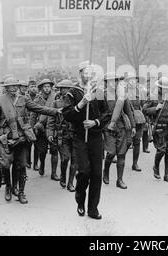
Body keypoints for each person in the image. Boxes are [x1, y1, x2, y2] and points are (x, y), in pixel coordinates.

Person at [0, 77, 60, 204]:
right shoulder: (0, 100)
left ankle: (21, 192)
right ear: (6, 88)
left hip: (22, 136)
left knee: (22, 165)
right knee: (5, 165)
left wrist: (56, 111)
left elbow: (38, 108)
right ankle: (8, 187)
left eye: (16, 86)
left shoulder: (24, 99)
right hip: (6, 137)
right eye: (11, 86)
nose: (14, 88)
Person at [61, 61, 109, 219]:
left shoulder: (99, 91)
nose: (88, 75)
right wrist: (82, 104)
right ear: (80, 73)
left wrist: (95, 122)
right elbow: (67, 114)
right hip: (79, 137)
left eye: (91, 72)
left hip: (95, 137)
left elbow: (106, 114)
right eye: (85, 72)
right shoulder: (73, 92)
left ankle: (93, 209)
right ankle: (80, 200)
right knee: (84, 172)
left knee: (96, 174)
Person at [101, 73, 136, 189]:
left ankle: (119, 179)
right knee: (111, 153)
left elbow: (128, 111)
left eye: (114, 81)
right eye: (109, 81)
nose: (112, 83)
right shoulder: (103, 95)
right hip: (108, 127)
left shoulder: (122, 95)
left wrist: (133, 126)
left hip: (121, 126)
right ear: (106, 83)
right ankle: (106, 170)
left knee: (121, 154)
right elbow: (100, 113)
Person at [143, 77, 168, 183]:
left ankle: (167, 174)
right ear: (159, 87)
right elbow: (144, 110)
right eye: (163, 88)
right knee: (161, 150)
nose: (166, 90)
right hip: (159, 127)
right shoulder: (153, 97)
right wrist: (155, 108)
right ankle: (156, 167)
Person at [46, 79, 77, 191]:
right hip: (62, 134)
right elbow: (50, 120)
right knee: (65, 158)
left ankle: (70, 183)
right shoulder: (56, 103)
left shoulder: (77, 102)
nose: (64, 91)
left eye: (67, 88)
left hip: (75, 134)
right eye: (62, 88)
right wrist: (50, 133)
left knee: (75, 160)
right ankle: (63, 175)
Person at [30, 78, 57, 179]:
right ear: (41, 88)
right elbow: (33, 115)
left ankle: (54, 173)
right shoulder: (37, 99)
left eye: (48, 87)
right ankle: (42, 164)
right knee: (42, 150)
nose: (47, 89)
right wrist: (32, 128)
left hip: (53, 126)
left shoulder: (55, 97)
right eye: (45, 87)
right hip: (40, 128)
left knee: (54, 150)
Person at [125, 73, 147, 172]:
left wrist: (144, 118)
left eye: (135, 80)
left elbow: (143, 106)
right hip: (127, 120)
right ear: (127, 81)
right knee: (127, 142)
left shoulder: (140, 92)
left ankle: (135, 163)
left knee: (137, 142)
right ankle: (121, 159)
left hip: (138, 120)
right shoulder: (123, 92)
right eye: (131, 80)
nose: (133, 82)